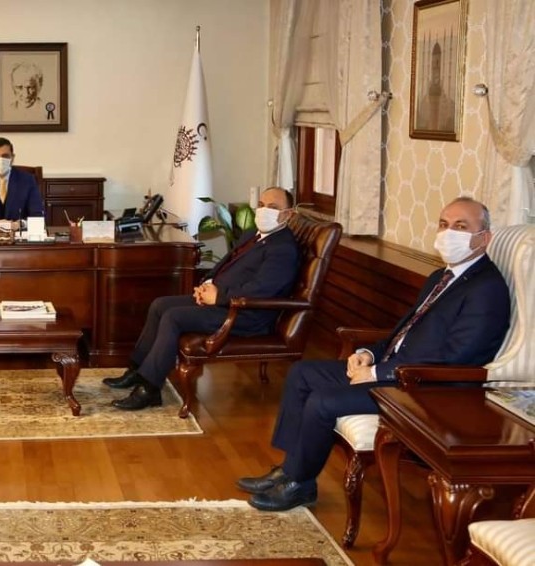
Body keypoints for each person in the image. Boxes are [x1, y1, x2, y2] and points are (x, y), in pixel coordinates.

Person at [237, 197, 511, 512]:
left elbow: (457, 358)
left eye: (461, 226)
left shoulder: (487, 289)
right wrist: (367, 354)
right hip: (395, 371)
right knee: (303, 373)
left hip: (425, 388)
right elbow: (403, 333)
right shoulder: (441, 277)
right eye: (444, 224)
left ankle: (299, 485)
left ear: (484, 237)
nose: (449, 233)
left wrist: (379, 373)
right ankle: (289, 470)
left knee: (322, 401)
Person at [106, 187, 300, 411]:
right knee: (160, 305)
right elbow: (226, 262)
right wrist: (207, 283)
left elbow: (262, 289)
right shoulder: (253, 234)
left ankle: (149, 389)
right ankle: (137, 371)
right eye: (261, 205)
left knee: (174, 317)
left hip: (246, 314)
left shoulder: (283, 248)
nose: (264, 211)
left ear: (288, 214)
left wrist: (219, 297)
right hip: (222, 300)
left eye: (273, 207)